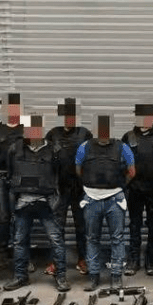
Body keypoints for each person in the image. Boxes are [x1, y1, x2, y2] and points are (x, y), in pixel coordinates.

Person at [6, 115, 69, 292]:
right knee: (19, 241)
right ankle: (20, 276)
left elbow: (63, 176)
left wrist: (57, 199)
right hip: (22, 202)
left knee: (56, 240)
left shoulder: (55, 150)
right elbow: (10, 174)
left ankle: (61, 276)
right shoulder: (14, 149)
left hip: (47, 203)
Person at [76, 115, 136, 291]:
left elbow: (132, 172)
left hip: (115, 199)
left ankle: (116, 277)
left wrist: (118, 186)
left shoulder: (122, 147)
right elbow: (78, 170)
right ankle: (94, 276)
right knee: (91, 238)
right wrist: (92, 186)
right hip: (91, 199)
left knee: (116, 239)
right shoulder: (84, 147)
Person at [45, 97, 92, 277]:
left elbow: (93, 160)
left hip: (80, 189)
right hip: (59, 189)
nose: (68, 119)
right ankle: (56, 261)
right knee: (57, 227)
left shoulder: (85, 134)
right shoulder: (52, 134)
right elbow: (45, 160)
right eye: (65, 115)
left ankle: (83, 259)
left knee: (82, 226)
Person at [122, 104, 153, 276]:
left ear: (152, 118)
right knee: (134, 225)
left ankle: (151, 260)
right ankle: (134, 260)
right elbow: (121, 163)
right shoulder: (128, 137)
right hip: (134, 190)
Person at [0, 93, 24, 268]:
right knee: (3, 217)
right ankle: (2, 253)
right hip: (2, 179)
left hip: (21, 179)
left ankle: (22, 256)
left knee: (21, 217)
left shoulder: (27, 126)